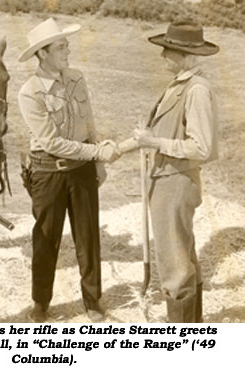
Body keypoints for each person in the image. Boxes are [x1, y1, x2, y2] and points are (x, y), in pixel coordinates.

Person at [18, 18, 120, 322]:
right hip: (48, 173)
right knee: (46, 238)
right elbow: (52, 142)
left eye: (66, 45)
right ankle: (41, 302)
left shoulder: (77, 78)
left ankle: (92, 299)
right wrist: (96, 152)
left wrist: (97, 162)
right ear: (43, 53)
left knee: (88, 237)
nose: (68, 50)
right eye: (61, 46)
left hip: (83, 172)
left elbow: (88, 124)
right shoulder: (29, 92)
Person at [133, 22, 219, 322]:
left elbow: (201, 147)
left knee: (175, 266)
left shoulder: (195, 90)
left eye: (167, 50)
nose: (162, 56)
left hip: (176, 182)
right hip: (168, 180)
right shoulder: (182, 83)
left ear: (183, 54)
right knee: (183, 257)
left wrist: (154, 141)